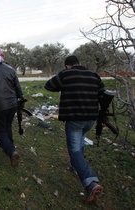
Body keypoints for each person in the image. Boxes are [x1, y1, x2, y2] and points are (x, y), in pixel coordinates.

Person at [44, 55, 105, 203]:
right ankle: (74, 166)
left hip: (75, 119)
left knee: (74, 150)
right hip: (91, 118)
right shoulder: (93, 74)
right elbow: (102, 94)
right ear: (79, 63)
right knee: (80, 142)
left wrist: (64, 84)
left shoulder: (66, 74)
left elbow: (49, 85)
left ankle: (91, 183)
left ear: (67, 66)